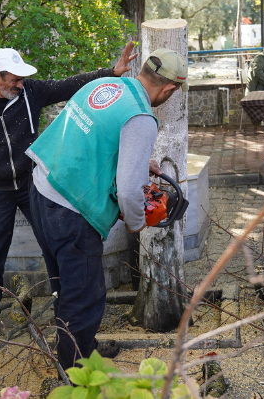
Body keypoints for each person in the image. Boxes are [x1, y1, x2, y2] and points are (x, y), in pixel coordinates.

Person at [0, 43, 139, 336]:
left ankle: (63, 309)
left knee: (54, 245)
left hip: (33, 183)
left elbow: (67, 85)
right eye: (14, 79)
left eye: (22, 78)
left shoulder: (30, 92)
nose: (20, 83)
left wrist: (111, 72)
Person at [25, 48, 187, 370]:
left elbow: (93, 138)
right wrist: (136, 222)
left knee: (65, 285)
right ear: (169, 89)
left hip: (42, 188)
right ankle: (75, 375)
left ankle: (81, 349)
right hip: (71, 211)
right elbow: (128, 191)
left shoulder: (105, 86)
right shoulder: (141, 118)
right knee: (86, 296)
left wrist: (138, 161)